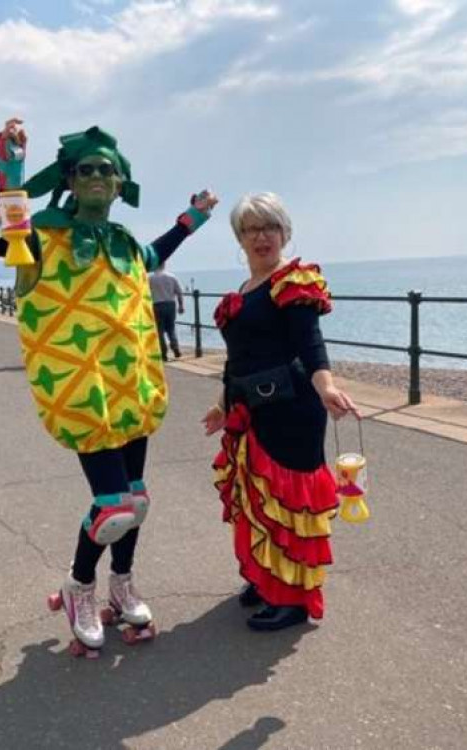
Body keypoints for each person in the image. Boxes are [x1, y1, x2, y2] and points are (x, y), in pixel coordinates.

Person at [0, 118, 217, 655]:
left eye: (107, 170)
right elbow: (6, 230)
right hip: (83, 392)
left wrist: (192, 219)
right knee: (112, 506)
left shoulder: (124, 242)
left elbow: (155, 256)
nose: (96, 177)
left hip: (130, 385)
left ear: (118, 183)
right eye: (85, 169)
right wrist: (11, 165)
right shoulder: (39, 239)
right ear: (68, 177)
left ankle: (122, 583)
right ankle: (80, 585)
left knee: (137, 501)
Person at [202, 192, 360, 632]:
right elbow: (238, 360)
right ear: (239, 238)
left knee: (289, 501)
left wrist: (326, 384)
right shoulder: (244, 292)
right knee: (256, 500)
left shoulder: (292, 281)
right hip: (249, 412)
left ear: (284, 232)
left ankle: (292, 597)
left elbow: (310, 342)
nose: (261, 237)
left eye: (269, 227)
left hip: (292, 410)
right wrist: (221, 406)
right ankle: (265, 575)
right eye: (251, 229)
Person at [149, 261, 185, 361]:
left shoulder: (150, 279)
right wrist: (181, 305)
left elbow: (146, 294)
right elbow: (179, 292)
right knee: (171, 328)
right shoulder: (172, 277)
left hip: (156, 305)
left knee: (159, 330)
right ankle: (175, 348)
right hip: (170, 304)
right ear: (164, 265)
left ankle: (163, 353)